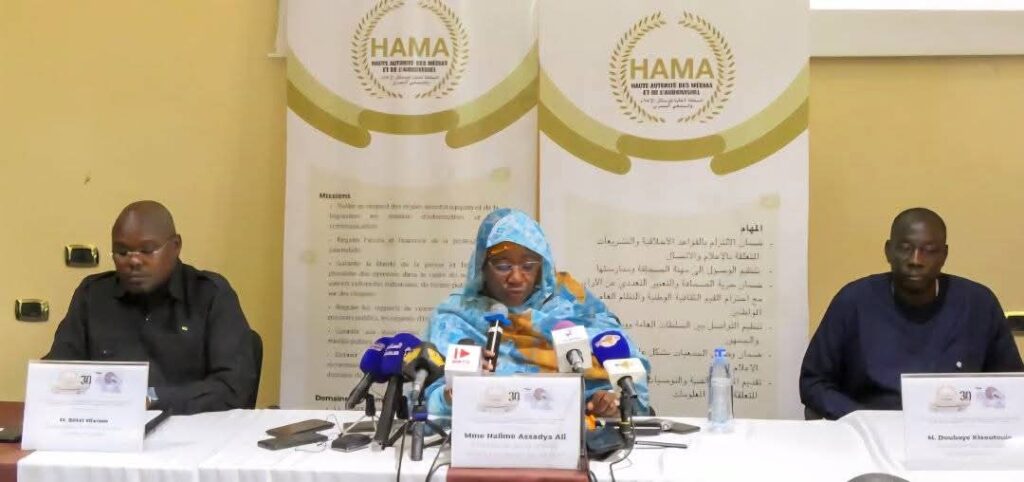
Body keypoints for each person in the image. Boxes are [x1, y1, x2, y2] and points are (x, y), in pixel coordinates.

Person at [423, 208, 651, 418]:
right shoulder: (454, 318)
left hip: (578, 437)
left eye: (528, 266)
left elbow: (628, 376)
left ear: (542, 266)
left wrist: (608, 401)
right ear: (482, 265)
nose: (516, 278)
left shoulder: (572, 304)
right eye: (503, 266)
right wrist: (454, 393)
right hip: (484, 437)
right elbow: (429, 404)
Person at [800, 207, 1023, 420]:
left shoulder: (978, 304)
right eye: (906, 248)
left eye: (929, 251)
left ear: (944, 255)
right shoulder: (854, 301)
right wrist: (862, 417)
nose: (916, 260)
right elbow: (813, 382)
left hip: (954, 432)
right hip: (870, 429)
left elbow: (1013, 386)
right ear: (888, 251)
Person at [44, 201, 258, 415]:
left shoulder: (210, 295)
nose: (134, 261)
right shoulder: (93, 295)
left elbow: (234, 387)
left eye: (147, 250)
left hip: (192, 428)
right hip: (107, 426)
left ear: (175, 246)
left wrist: (153, 398)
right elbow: (56, 373)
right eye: (122, 252)